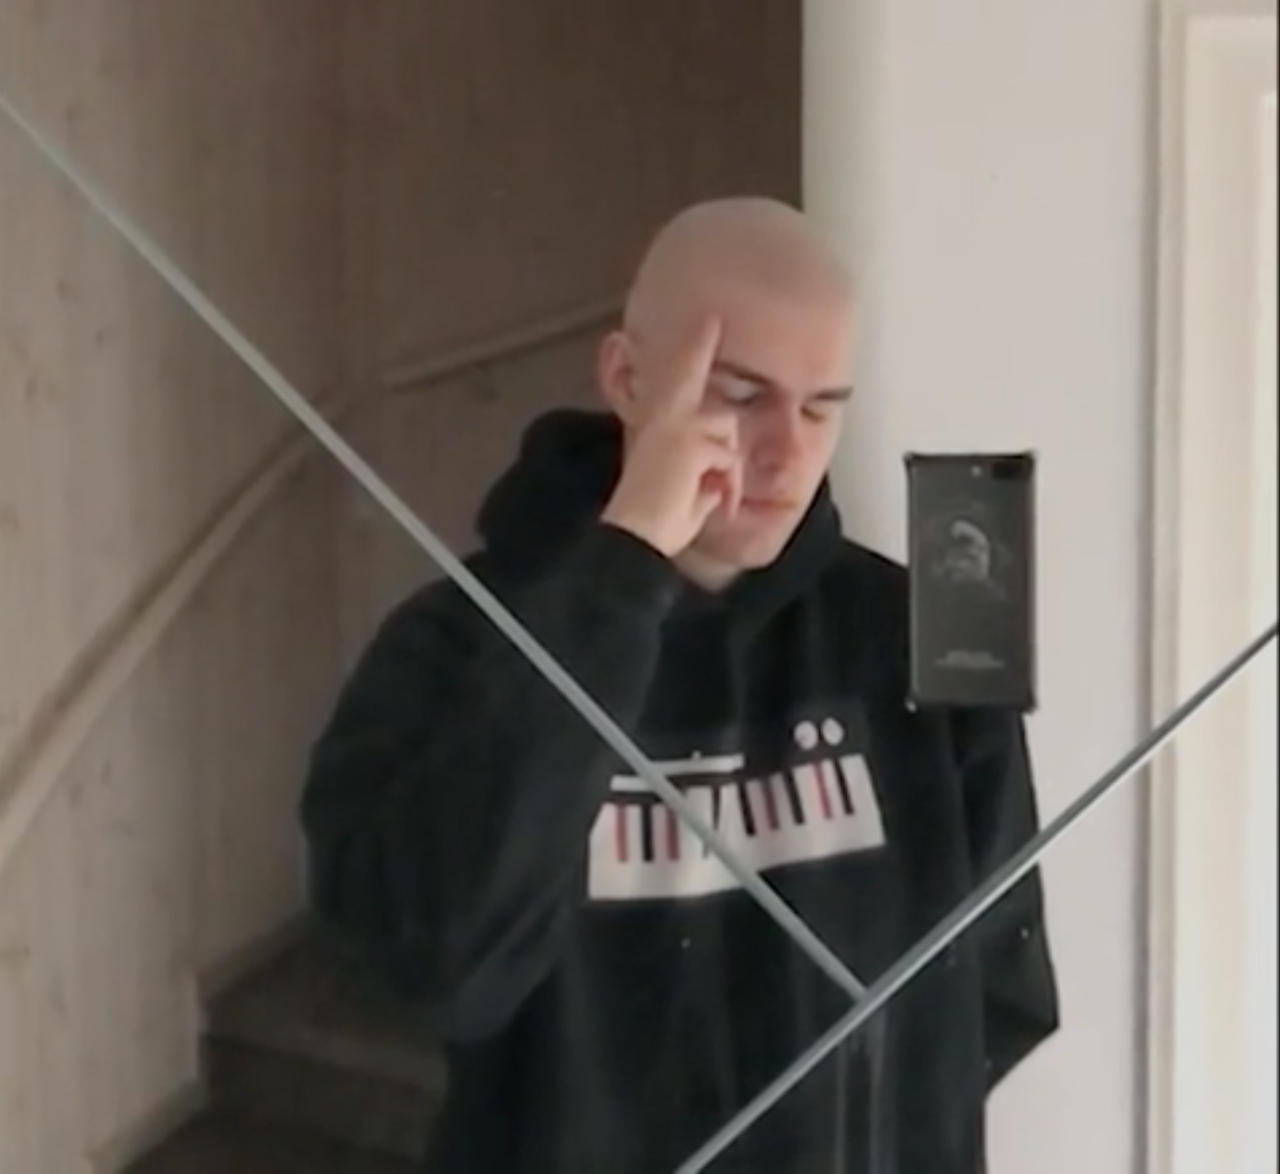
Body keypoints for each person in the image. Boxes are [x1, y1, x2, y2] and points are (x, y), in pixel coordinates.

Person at [298, 197, 1060, 1173]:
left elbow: (998, 982)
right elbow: (434, 967)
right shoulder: (453, 644)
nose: (787, 455)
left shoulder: (919, 631)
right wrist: (624, 569)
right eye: (740, 397)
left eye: (821, 406)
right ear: (628, 378)